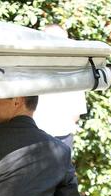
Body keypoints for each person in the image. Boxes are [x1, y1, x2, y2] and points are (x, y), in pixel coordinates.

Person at [33, 25, 88, 153]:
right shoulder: (33, 68)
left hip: (62, 138)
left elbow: (76, 113)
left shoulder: (75, 71)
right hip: (35, 138)